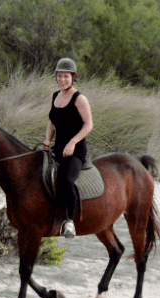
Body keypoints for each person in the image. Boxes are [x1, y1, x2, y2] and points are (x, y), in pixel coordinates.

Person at [42, 57, 94, 238]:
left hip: (75, 151)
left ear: (73, 77)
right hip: (57, 148)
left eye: (66, 76)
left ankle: (70, 222)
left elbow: (89, 125)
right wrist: (47, 140)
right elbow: (51, 123)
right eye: (59, 76)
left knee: (67, 181)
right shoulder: (55, 96)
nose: (62, 79)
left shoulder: (79, 99)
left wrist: (73, 142)